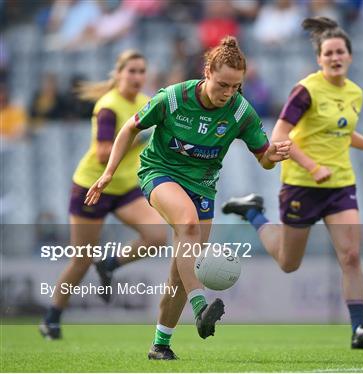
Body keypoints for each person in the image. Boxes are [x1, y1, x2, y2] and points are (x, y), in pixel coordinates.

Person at [85, 37, 291, 360]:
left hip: (203, 187)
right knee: (188, 222)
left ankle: (160, 345)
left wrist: (273, 156)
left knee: (180, 273)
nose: (228, 94)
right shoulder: (173, 98)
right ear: (207, 71)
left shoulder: (240, 111)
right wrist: (109, 172)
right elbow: (128, 129)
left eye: (236, 87)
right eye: (223, 85)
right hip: (159, 172)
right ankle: (200, 307)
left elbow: (263, 158)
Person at [222, 17, 363, 349]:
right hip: (302, 184)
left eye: (340, 52)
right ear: (319, 59)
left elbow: (343, 132)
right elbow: (279, 134)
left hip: (340, 185)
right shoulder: (306, 90)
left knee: (350, 256)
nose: (335, 57)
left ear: (350, 56)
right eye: (328, 53)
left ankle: (358, 329)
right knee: (289, 263)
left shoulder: (355, 93)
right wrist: (311, 166)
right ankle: (252, 212)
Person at [39, 49, 168, 340]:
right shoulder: (108, 106)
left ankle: (110, 264)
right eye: (131, 71)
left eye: (141, 71)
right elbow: (102, 153)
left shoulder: (145, 102)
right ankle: (51, 318)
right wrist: (142, 137)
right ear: (119, 73)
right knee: (81, 261)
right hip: (91, 187)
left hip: (123, 188)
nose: (137, 76)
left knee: (158, 236)